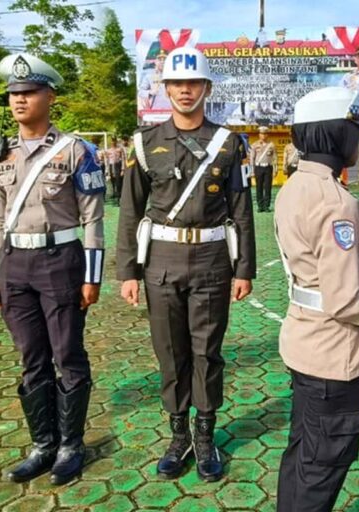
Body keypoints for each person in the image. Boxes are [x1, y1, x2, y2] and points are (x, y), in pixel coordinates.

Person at [117, 46, 256, 482]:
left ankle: (205, 435)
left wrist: (244, 269)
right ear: (166, 88)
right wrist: (128, 272)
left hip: (213, 261)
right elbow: (129, 211)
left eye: (193, 82)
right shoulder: (144, 143)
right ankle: (178, 437)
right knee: (170, 352)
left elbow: (242, 209)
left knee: (206, 353)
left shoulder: (229, 143)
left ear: (206, 88)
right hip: (161, 262)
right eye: (176, 83)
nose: (184, 90)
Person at [0, 53, 106, 485]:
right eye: (14, 93)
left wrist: (92, 276)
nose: (20, 100)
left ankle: (71, 445)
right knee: (31, 356)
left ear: (50, 96)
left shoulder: (76, 151)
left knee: (67, 353)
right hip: (15, 264)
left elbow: (93, 219)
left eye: (30, 91)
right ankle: (43, 444)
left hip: (61, 263)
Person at [274, 86, 359, 511]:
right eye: (353, 130)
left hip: (306, 339)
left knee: (303, 454)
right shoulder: (336, 202)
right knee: (324, 463)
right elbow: (345, 303)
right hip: (335, 351)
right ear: (334, 132)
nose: (358, 139)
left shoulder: (296, 186)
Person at [250, 126, 276, 212]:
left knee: (268, 187)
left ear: (267, 135)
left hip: (268, 167)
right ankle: (260, 206)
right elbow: (252, 159)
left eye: (265, 134)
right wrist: (252, 171)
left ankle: (266, 206)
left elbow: (275, 158)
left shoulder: (271, 145)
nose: (263, 136)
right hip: (258, 167)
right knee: (259, 187)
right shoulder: (254, 145)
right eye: (261, 134)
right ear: (259, 134)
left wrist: (275, 169)